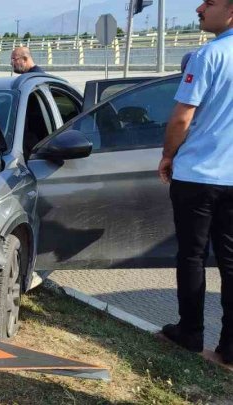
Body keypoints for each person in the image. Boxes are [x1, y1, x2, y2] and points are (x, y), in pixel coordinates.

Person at [158, 0, 233, 364]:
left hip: (198, 176)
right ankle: (230, 348)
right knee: (231, 262)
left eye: (210, 2)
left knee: (192, 256)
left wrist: (168, 155)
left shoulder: (209, 55)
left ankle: (190, 334)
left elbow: (179, 120)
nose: (199, 8)